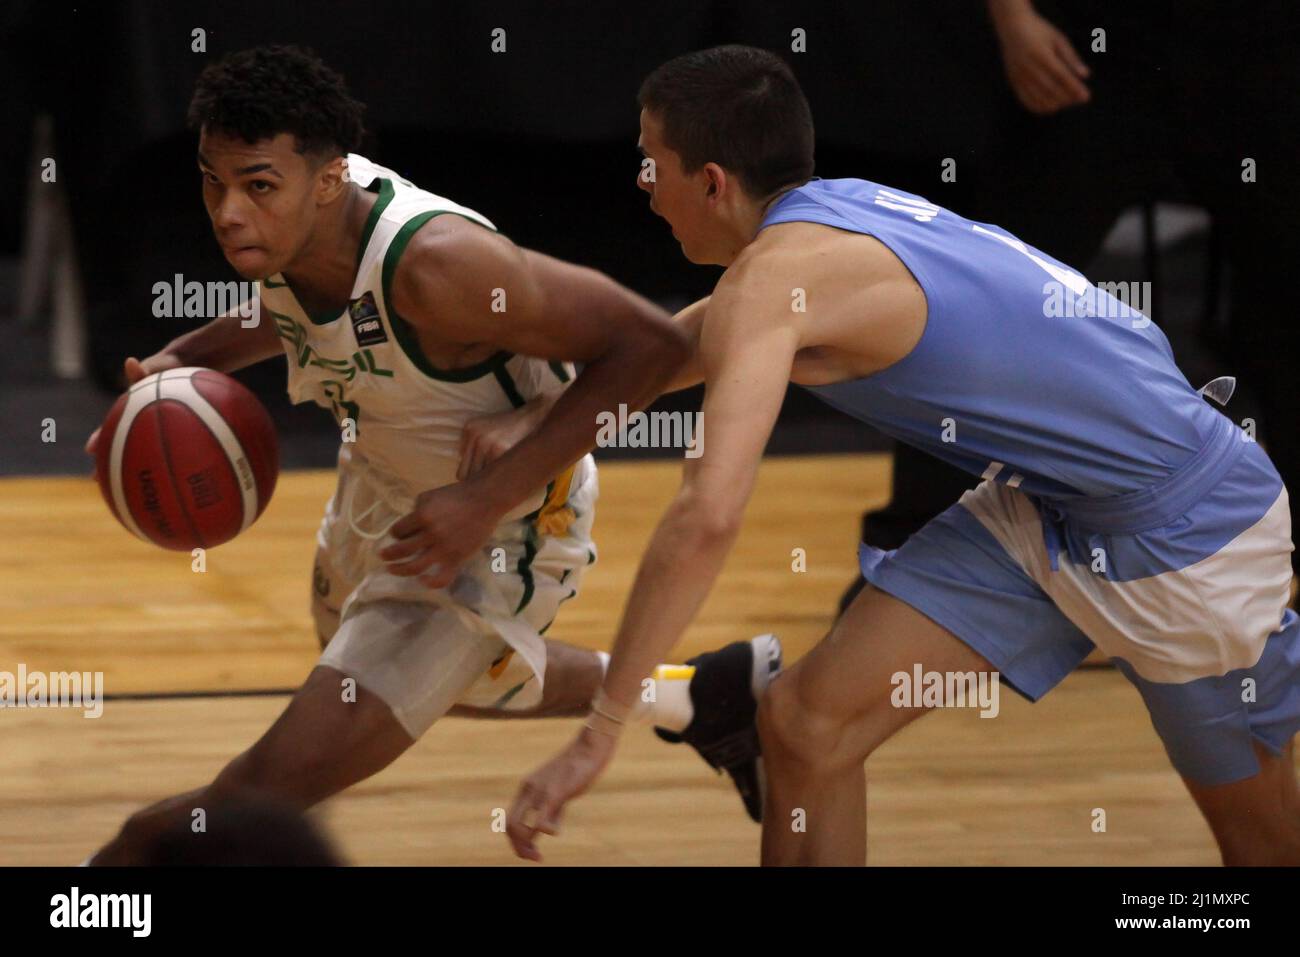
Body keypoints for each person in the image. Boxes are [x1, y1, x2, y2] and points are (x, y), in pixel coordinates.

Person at [502, 45, 1300, 866]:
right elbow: (666, 353)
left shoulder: (774, 279)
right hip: (1049, 505)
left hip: (1187, 530)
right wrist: (527, 435)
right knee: (804, 722)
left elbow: (706, 518)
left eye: (649, 166)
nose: (642, 187)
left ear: (710, 182)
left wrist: (601, 727)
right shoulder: (825, 219)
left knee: (1261, 846)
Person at [84, 45, 780, 865]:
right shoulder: (295, 225)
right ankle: (702, 695)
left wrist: (492, 492)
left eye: (257, 186)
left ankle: (100, 896)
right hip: (385, 491)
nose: (228, 212)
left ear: (330, 180)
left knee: (255, 792)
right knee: (457, 683)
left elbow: (653, 347)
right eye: (213, 181)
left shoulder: (440, 267)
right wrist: (186, 359)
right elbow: (291, 303)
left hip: (497, 527)